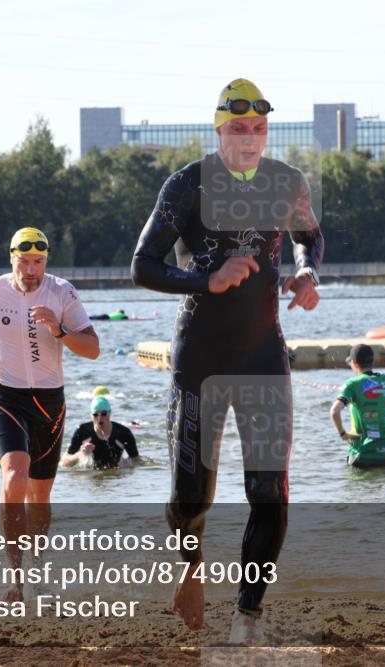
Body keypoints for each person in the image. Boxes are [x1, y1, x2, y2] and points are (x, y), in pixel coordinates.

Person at [131, 77, 324, 641]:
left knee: (270, 489)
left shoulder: (288, 182)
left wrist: (309, 270)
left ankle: (247, 614)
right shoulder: (187, 185)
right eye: (239, 128)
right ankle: (190, 571)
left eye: (259, 128)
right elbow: (143, 265)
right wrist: (205, 279)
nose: (250, 138)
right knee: (191, 493)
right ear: (219, 130)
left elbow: (311, 237)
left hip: (264, 354)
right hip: (201, 358)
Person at [0, 226, 100, 602]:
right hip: (5, 395)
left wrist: (59, 329)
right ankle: (15, 577)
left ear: (46, 261)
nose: (32, 270)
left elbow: (93, 348)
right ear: (12, 260)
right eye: (25, 261)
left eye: (39, 262)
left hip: (49, 402)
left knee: (39, 495)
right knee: (15, 475)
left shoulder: (62, 291)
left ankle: (38, 565)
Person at [62, 394, 141, 469]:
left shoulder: (124, 433)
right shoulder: (82, 431)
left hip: (115, 477)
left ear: (109, 414)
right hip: (91, 478)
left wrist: (128, 463)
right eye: (95, 414)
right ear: (91, 416)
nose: (100, 418)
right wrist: (79, 455)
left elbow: (137, 461)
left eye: (103, 414)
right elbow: (63, 462)